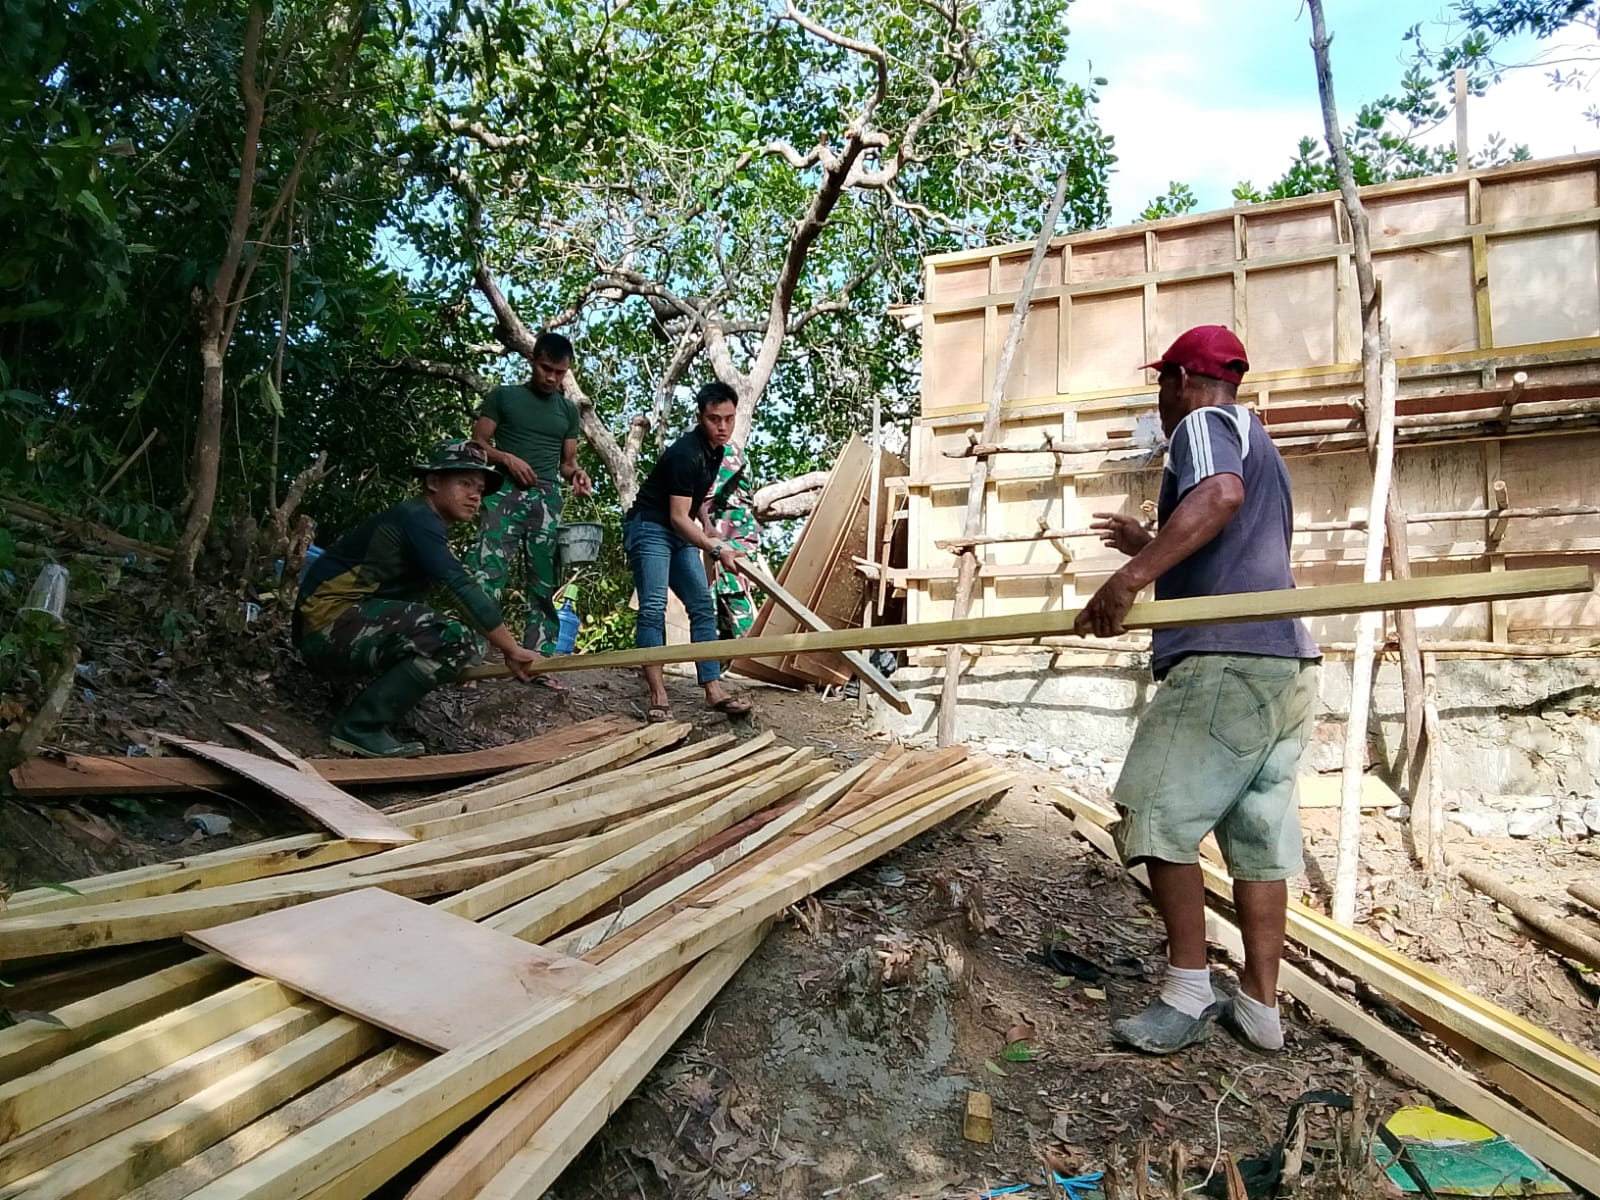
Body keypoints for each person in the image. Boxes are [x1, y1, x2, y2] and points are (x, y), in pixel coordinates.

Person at [1073, 325, 1322, 1056]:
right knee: (1259, 841)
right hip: (1285, 666)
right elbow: (1231, 529)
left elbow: (1219, 495)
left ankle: (1188, 987)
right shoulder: (1259, 436)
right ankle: (1261, 1006)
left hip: (1225, 662)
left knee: (1152, 812)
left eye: (1162, 384)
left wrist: (1129, 578)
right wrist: (1144, 542)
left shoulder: (1205, 425)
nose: (1161, 399)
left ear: (1184, 379)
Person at [295, 440, 542, 757]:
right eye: (465, 483)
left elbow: (406, 602)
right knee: (454, 639)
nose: (475, 496)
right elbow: (459, 586)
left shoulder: (423, 522)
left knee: (441, 634)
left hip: (330, 627)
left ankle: (365, 711)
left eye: (480, 489)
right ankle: (360, 727)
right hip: (324, 627)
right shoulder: (418, 518)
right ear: (434, 482)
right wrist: (511, 649)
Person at [468, 331, 594, 689]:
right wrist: (506, 458)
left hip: (547, 501)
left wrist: (577, 474)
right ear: (532, 361)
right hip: (503, 493)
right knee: (486, 576)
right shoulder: (504, 396)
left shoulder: (567, 410)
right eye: (545, 369)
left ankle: (537, 663)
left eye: (559, 372)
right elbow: (477, 443)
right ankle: (472, 663)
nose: (551, 378)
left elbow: (568, 464)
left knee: (543, 584)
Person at [624, 382, 755, 722]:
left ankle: (712, 689)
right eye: (714, 419)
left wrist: (709, 526)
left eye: (728, 419)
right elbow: (676, 517)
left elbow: (693, 504)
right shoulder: (686, 453)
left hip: (680, 529)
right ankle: (658, 694)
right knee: (653, 607)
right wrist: (713, 546)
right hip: (651, 527)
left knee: (701, 604)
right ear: (700, 418)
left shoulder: (717, 451)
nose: (722, 427)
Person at [706, 442, 762, 640]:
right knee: (713, 600)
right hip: (715, 534)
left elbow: (705, 494)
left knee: (733, 592)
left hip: (735, 532)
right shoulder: (705, 454)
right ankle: (724, 663)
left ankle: (750, 658)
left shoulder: (727, 451)